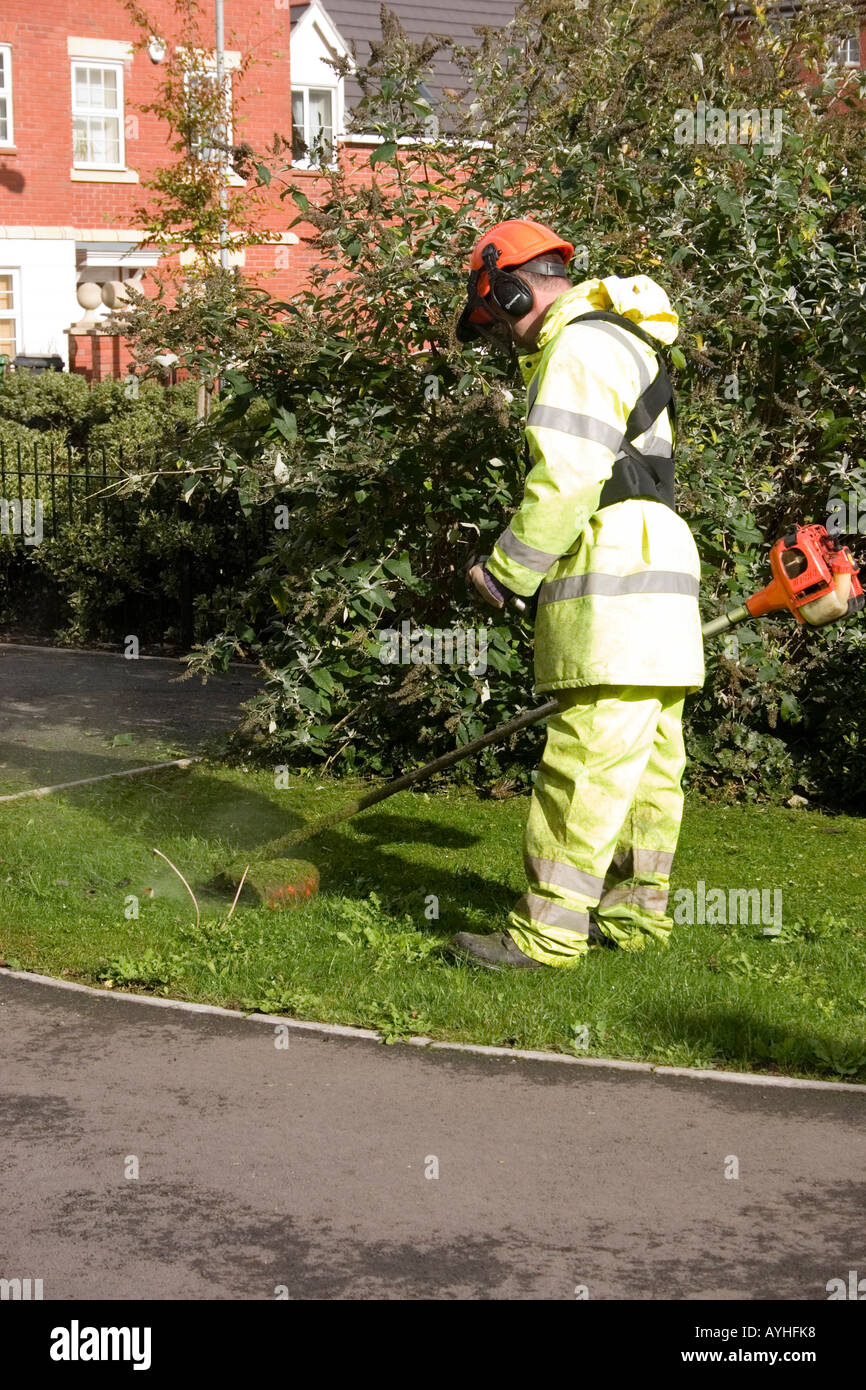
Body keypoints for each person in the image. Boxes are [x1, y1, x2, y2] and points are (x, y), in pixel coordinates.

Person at [450, 217, 704, 970]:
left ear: (509, 282)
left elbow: (565, 478)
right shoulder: (624, 339)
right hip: (659, 569)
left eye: (495, 315)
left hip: (615, 578)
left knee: (586, 759)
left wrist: (504, 570)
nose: (500, 335)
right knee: (652, 767)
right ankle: (633, 919)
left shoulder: (578, 345)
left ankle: (546, 935)